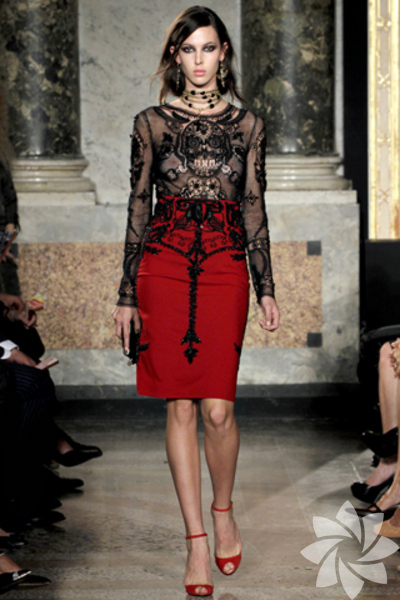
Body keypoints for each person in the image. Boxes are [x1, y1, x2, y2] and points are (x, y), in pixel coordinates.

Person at [112, 6, 279, 597]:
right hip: (162, 264)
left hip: (226, 265)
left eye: (208, 48)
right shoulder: (150, 123)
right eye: (188, 49)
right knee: (179, 407)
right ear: (175, 56)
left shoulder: (249, 125)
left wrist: (266, 286)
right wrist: (126, 293)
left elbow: (254, 206)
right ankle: (196, 543)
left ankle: (223, 510)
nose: (199, 60)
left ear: (224, 53)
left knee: (218, 411)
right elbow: (139, 206)